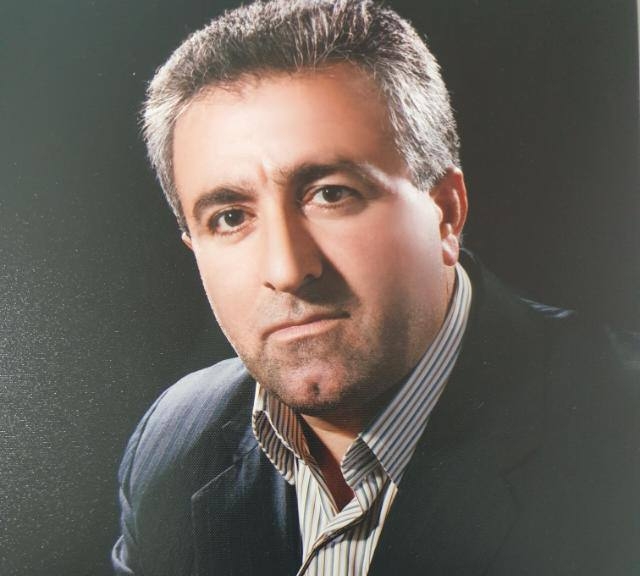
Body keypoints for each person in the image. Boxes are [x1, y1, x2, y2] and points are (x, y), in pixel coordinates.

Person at [112, 1, 639, 574]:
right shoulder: (173, 444)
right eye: (231, 218)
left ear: (445, 213)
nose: (287, 269)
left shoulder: (620, 427)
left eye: (331, 194)